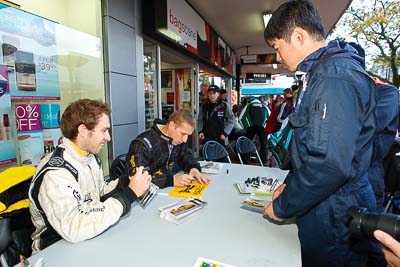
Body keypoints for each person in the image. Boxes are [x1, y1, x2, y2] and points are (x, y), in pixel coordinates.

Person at [263, 1, 377, 266]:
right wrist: (290, 184)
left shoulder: (333, 77)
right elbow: (310, 147)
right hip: (328, 203)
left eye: (277, 48)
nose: (277, 57)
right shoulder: (320, 74)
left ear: (299, 36)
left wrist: (283, 206)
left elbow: (329, 163)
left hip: (336, 212)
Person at [29, 99, 151, 252]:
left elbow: (98, 194)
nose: (108, 138)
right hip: (55, 251)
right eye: (104, 130)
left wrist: (127, 181)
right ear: (83, 131)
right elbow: (74, 228)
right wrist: (129, 194)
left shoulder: (90, 158)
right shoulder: (55, 173)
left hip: (88, 240)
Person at [126, 110, 210, 188]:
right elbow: (136, 177)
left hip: (165, 192)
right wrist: (171, 180)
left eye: (188, 135)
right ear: (172, 125)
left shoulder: (176, 140)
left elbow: (185, 156)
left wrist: (193, 168)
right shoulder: (142, 144)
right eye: (183, 134)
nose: (185, 140)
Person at [238, 98, 270, 164]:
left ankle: (245, 160)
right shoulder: (264, 106)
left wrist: (245, 127)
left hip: (251, 126)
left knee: (247, 143)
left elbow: (240, 118)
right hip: (262, 127)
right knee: (264, 144)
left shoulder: (248, 105)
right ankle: (264, 161)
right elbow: (270, 117)